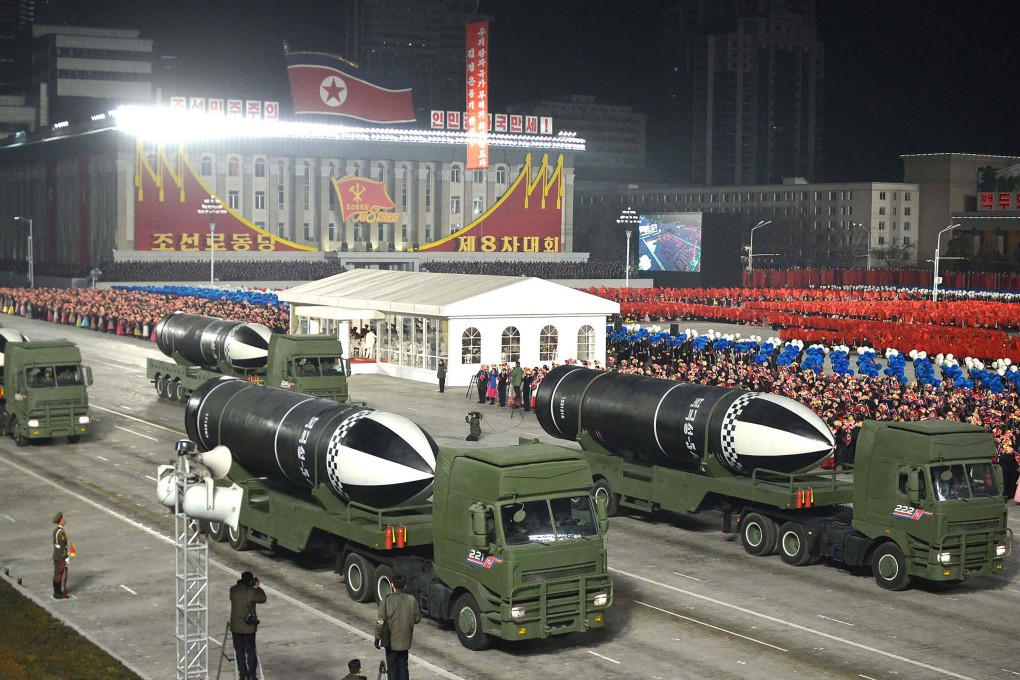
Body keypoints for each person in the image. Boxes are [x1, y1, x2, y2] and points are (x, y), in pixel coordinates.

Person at [374, 574, 420, 680]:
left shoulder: (386, 600)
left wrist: (377, 636)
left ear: (392, 585)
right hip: (404, 642)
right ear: (405, 586)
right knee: (403, 667)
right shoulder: (411, 600)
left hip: (390, 641)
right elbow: (417, 619)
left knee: (392, 669)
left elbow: (380, 620)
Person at [229, 571, 267, 680]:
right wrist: (257, 587)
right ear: (251, 580)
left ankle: (243, 675)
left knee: (239, 652)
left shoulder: (233, 590)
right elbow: (262, 598)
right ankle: (252, 675)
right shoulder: (251, 591)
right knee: (250, 651)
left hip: (236, 626)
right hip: (248, 627)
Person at [51, 511, 69, 599]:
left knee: (57, 574)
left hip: (57, 555)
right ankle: (57, 593)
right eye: (63, 519)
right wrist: (66, 557)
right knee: (59, 574)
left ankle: (57, 592)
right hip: (60, 556)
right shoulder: (60, 532)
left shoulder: (56, 531)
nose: (64, 519)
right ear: (60, 521)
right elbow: (62, 546)